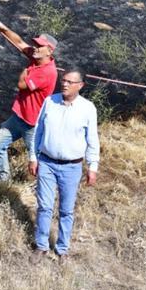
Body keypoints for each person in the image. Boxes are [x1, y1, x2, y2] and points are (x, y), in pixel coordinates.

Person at [28, 67, 100, 264]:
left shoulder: (87, 108)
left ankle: (62, 249)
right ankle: (41, 246)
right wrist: (33, 157)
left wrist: (92, 167)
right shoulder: (50, 102)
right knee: (44, 206)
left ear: (80, 85)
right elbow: (38, 131)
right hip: (47, 163)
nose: (65, 84)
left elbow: (92, 140)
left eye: (70, 81)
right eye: (64, 80)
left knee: (66, 210)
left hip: (72, 167)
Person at [0, 20, 58, 184]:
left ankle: (45, 184)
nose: (35, 48)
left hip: (32, 124)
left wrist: (26, 70)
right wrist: (3, 29)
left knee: (37, 159)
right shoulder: (37, 58)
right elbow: (19, 43)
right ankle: (3, 177)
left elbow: (21, 85)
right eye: (35, 44)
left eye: (40, 46)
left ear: (49, 51)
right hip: (19, 117)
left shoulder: (46, 73)